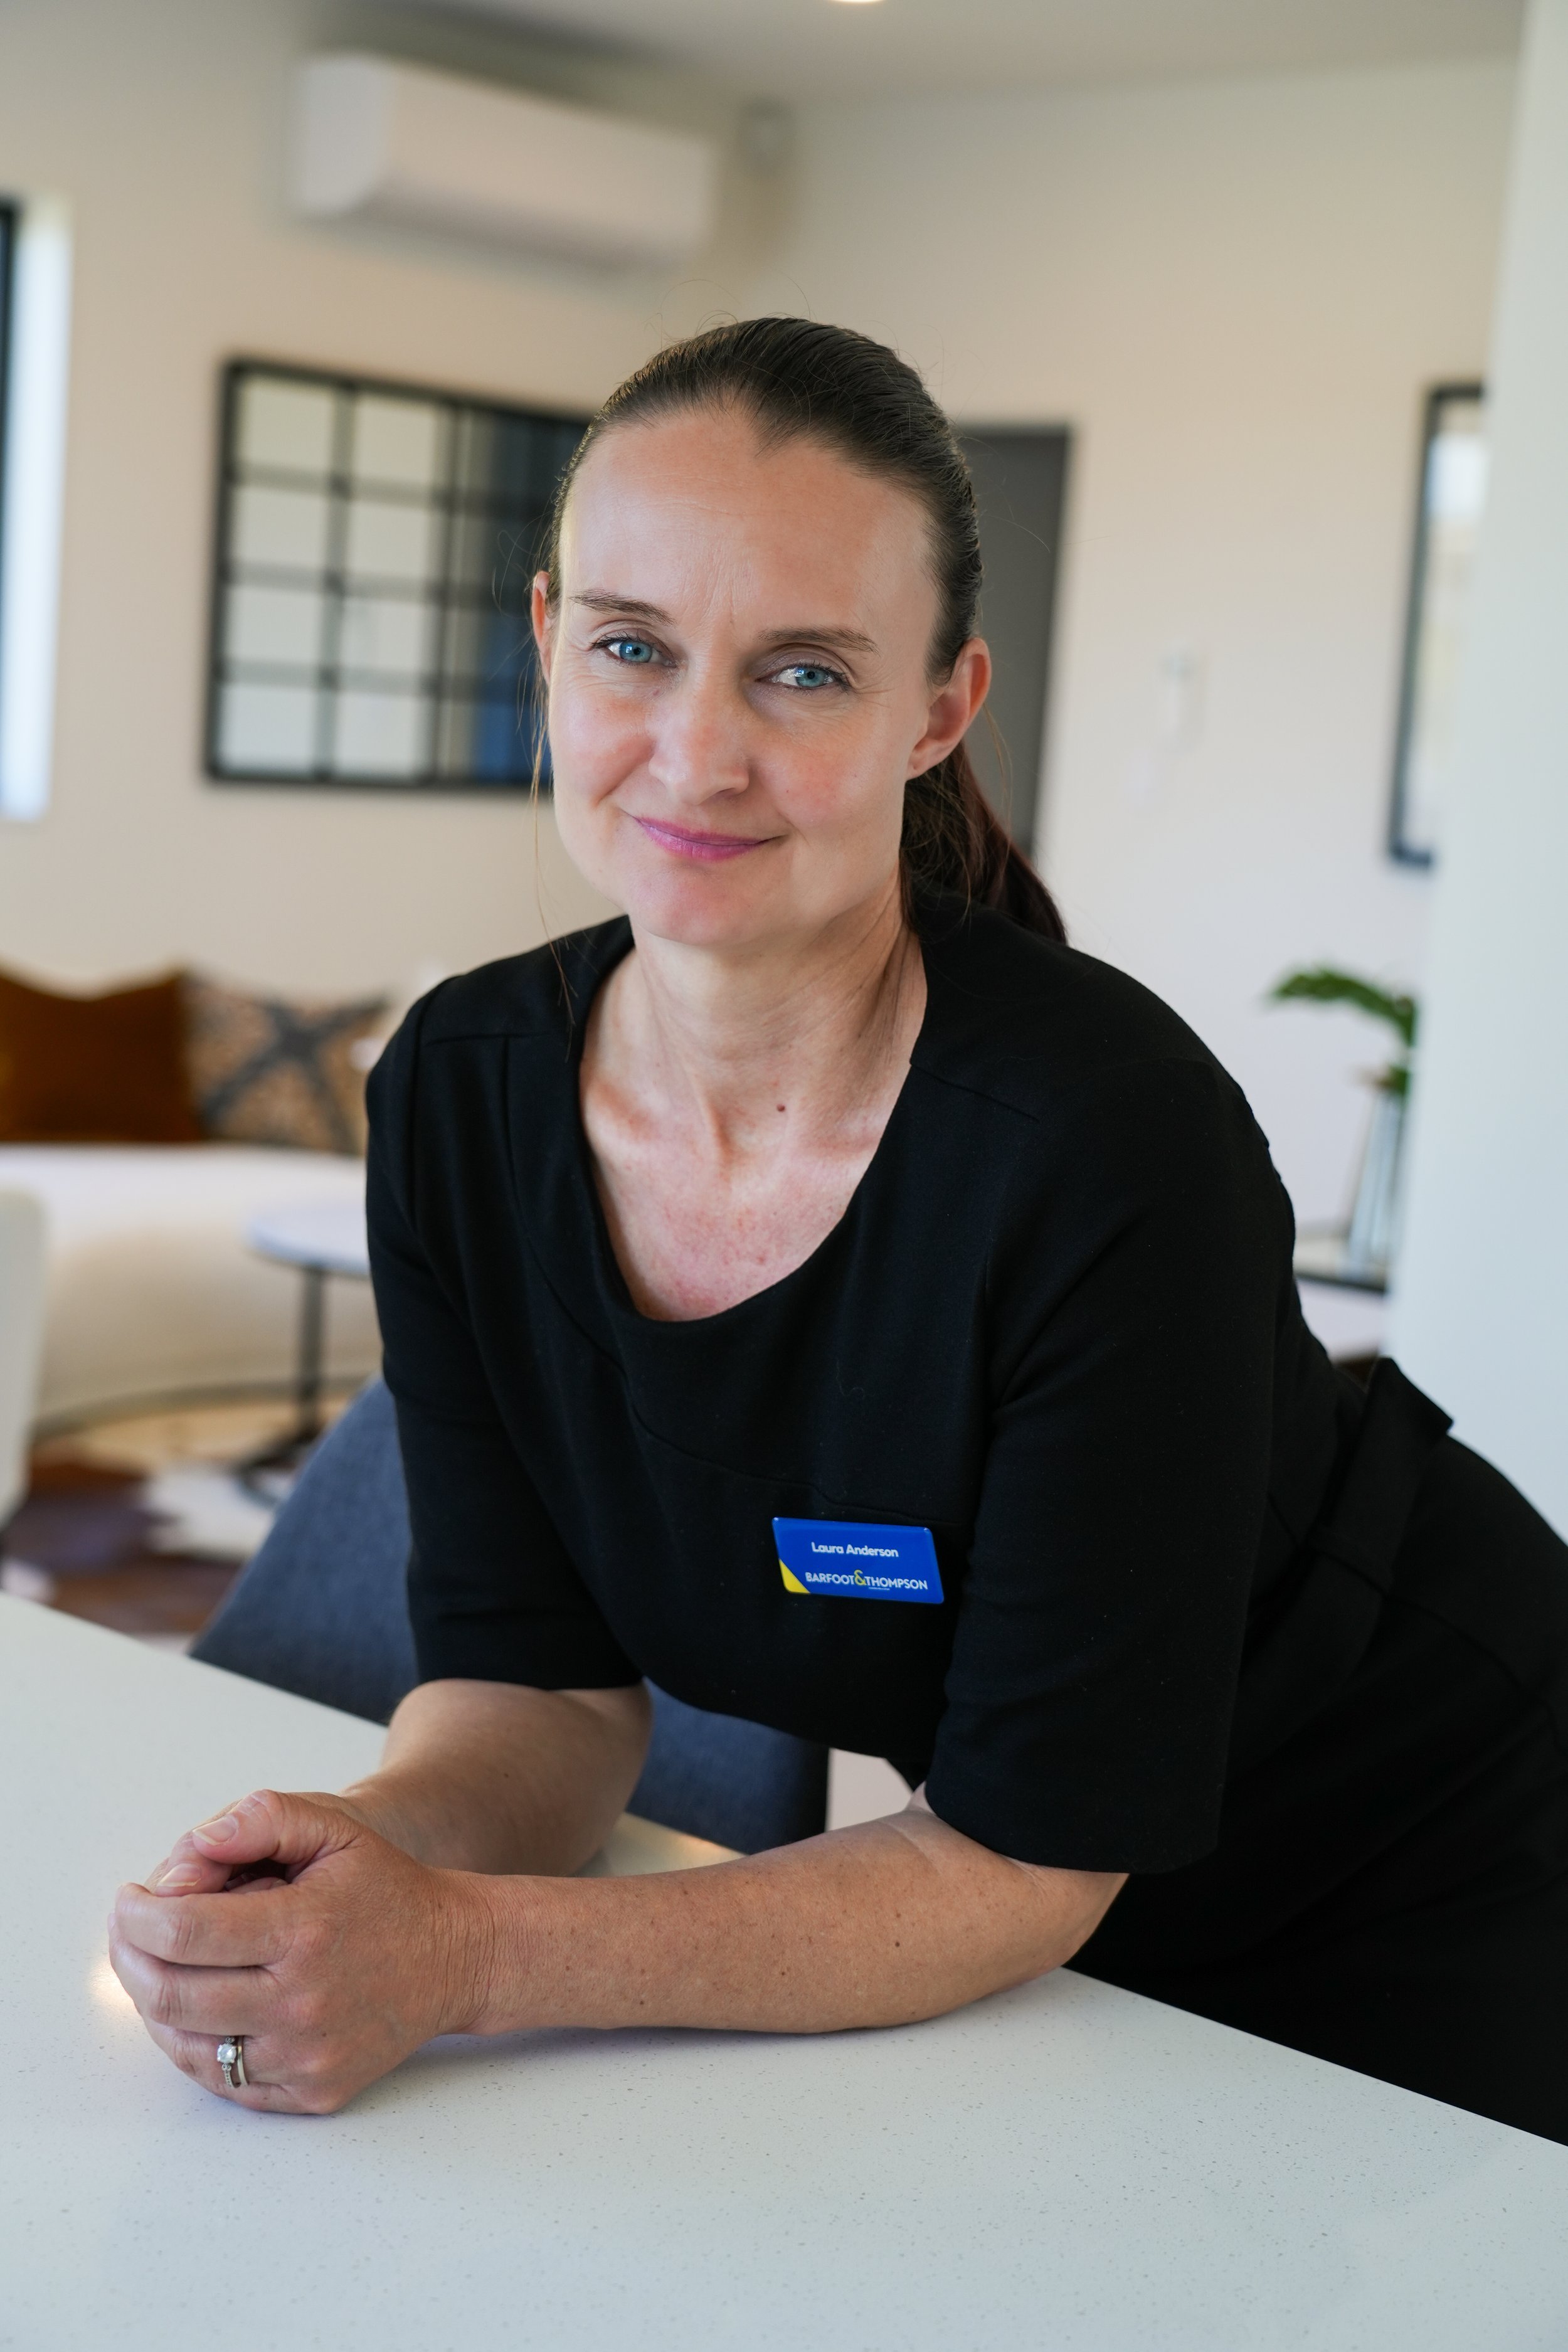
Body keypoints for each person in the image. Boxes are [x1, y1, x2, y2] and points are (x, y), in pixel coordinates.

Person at [110, 319, 1568, 2141]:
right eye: (632, 648)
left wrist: (474, 1956)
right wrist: (370, 1862)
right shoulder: (460, 1098)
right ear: (551, 643)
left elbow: (1018, 1861)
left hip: (1419, 1831)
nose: (693, 753)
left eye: (801, 672)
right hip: (1004, 1898)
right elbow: (538, 1691)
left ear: (935, 708)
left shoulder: (1098, 1139)